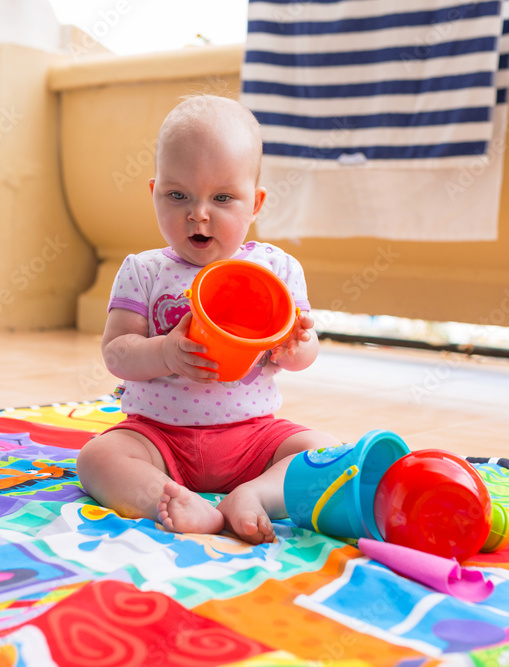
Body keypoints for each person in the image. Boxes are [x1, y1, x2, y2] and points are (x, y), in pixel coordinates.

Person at [76, 95, 342, 544]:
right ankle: (171, 497)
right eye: (177, 195)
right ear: (154, 192)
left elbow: (302, 353)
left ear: (254, 204)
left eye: (222, 197)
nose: (198, 213)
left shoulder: (276, 271)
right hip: (159, 437)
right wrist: (164, 352)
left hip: (254, 435)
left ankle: (253, 495)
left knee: (327, 453)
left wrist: (298, 347)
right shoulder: (143, 271)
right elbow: (117, 353)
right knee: (96, 459)